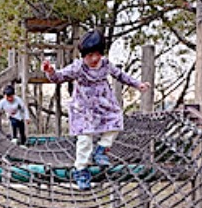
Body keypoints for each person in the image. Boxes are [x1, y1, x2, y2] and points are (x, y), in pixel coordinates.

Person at [43, 30, 150, 191]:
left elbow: (120, 75)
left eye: (97, 54)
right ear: (83, 55)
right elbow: (59, 77)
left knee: (116, 122)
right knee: (85, 140)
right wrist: (50, 71)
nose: (94, 59)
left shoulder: (105, 64)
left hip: (103, 105)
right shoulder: (78, 67)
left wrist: (137, 84)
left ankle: (101, 149)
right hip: (84, 108)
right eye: (90, 55)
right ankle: (81, 170)